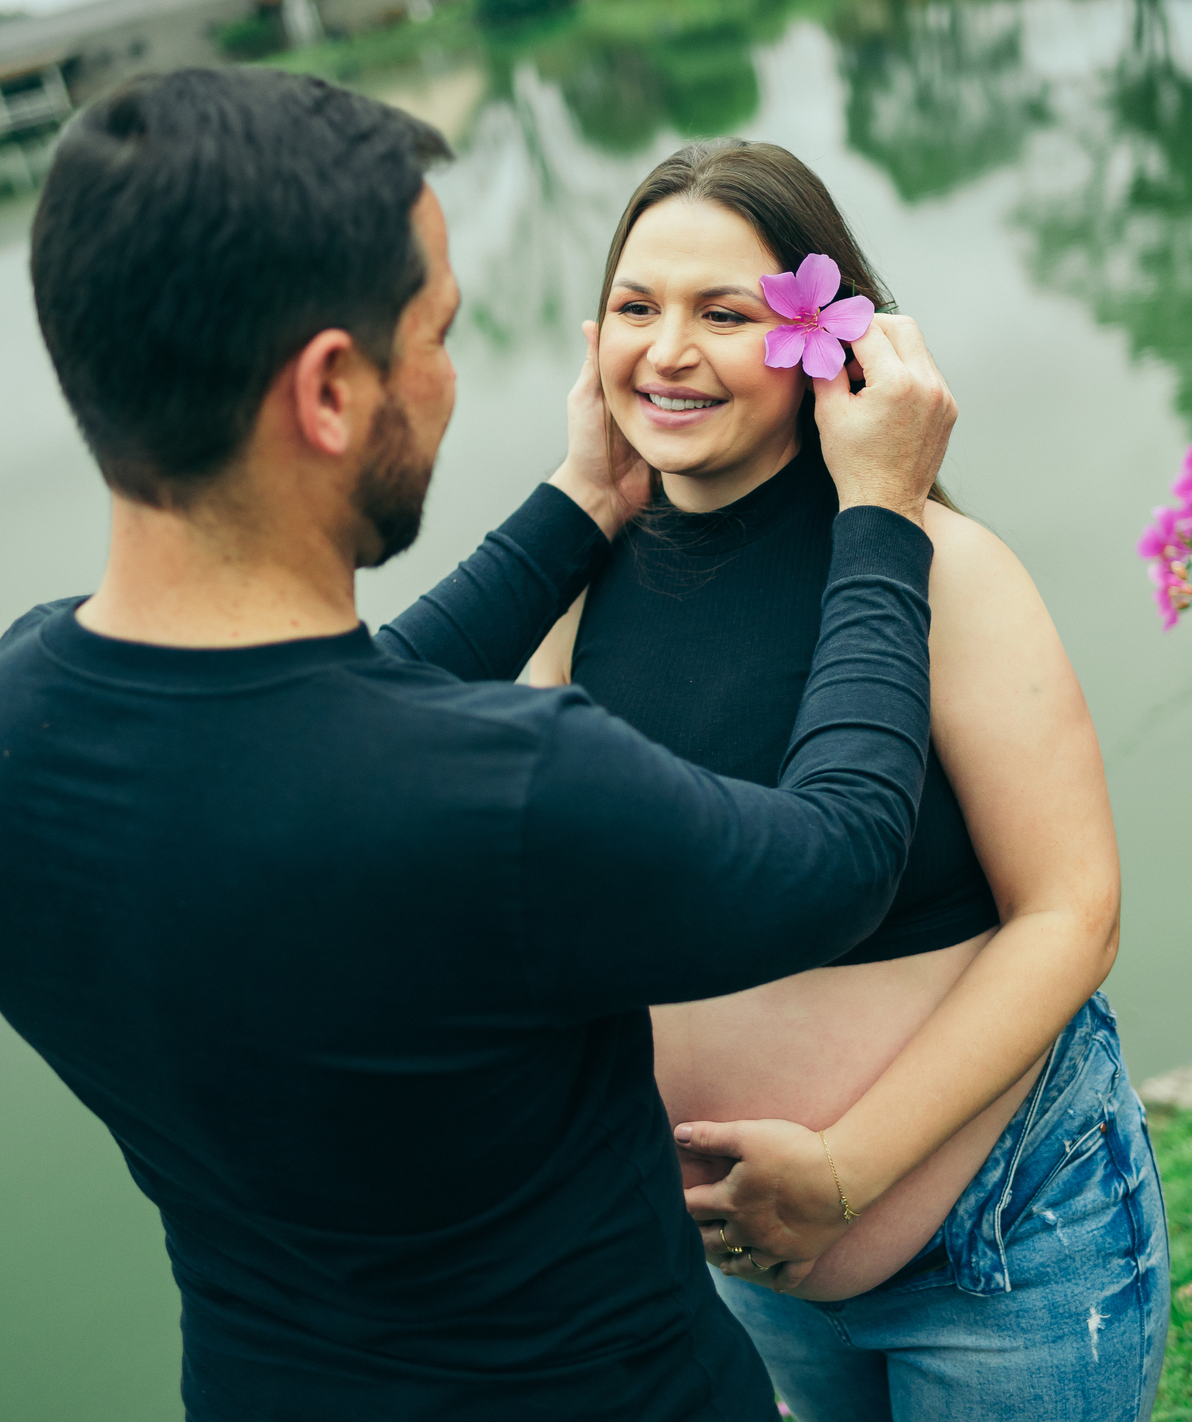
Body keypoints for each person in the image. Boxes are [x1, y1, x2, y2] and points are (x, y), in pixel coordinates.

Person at [0, 69, 956, 1422]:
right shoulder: (502, 795)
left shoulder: (25, 719)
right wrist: (882, 516)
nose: (452, 378)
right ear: (331, 391)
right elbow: (842, 854)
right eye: (439, 333)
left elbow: (313, 721)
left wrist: (579, 504)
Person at [530, 138, 1169, 1422]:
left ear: (827, 339)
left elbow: (1073, 912)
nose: (668, 350)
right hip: (750, 1270)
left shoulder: (942, 565)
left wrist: (844, 1170)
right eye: (637, 308)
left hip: (1008, 1242)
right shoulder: (571, 583)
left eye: (725, 314)